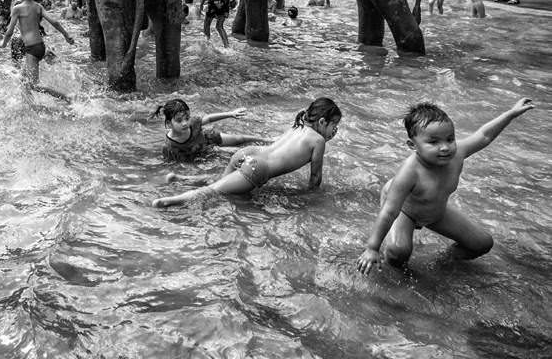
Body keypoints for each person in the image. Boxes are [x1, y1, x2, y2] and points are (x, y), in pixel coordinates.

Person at [356, 98, 534, 274]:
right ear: (412, 145)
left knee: (482, 243)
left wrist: (511, 114)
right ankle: (393, 273)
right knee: (398, 252)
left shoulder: (457, 154)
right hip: (405, 210)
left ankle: (442, 263)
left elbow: (484, 136)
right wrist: (372, 248)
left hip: (434, 210)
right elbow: (389, 211)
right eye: (433, 142)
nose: (445, 147)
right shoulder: (410, 172)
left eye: (450, 139)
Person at [152, 98, 342, 208]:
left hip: (248, 153)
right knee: (215, 192)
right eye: (334, 125)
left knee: (222, 183)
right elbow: (315, 180)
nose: (335, 130)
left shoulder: (298, 126)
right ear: (323, 122)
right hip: (256, 168)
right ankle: (170, 201)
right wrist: (310, 201)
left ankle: (181, 178)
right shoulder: (317, 141)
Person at [1, 0, 75, 98]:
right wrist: (67, 36)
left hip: (32, 49)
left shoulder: (17, 8)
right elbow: (55, 22)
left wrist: (3, 43)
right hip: (40, 46)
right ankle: (29, 105)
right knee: (23, 79)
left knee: (33, 85)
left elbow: (9, 31)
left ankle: (66, 97)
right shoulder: (38, 6)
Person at [152, 98, 269, 163]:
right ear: (168, 124)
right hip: (195, 153)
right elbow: (173, 163)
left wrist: (230, 114)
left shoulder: (192, 123)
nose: (185, 123)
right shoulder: (169, 146)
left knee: (240, 139)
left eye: (187, 118)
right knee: (231, 153)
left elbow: (208, 118)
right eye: (179, 120)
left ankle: (266, 140)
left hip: (207, 138)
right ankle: (263, 152)